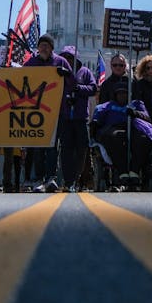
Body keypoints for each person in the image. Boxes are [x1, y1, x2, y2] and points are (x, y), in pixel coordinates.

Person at [25, 34, 74, 193]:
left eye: (47, 45)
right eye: (41, 45)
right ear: (38, 48)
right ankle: (39, 179)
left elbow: (73, 83)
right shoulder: (31, 63)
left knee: (53, 147)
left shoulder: (61, 62)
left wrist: (66, 74)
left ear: (52, 48)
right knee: (38, 147)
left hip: (56, 111)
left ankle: (50, 178)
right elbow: (20, 79)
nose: (44, 48)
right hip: (36, 112)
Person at [91, 81, 152, 188]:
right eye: (120, 93)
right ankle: (122, 172)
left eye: (125, 93)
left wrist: (135, 113)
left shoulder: (137, 104)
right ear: (115, 95)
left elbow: (147, 118)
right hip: (114, 129)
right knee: (116, 137)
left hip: (134, 128)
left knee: (142, 138)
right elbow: (97, 118)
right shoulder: (107, 106)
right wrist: (95, 123)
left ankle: (135, 171)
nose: (122, 96)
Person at [58, 46, 97, 191]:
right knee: (66, 150)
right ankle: (68, 180)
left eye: (70, 57)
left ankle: (80, 177)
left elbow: (93, 88)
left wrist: (79, 89)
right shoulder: (59, 72)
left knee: (82, 148)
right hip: (65, 116)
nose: (67, 60)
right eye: (65, 57)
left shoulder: (85, 72)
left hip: (80, 117)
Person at [132, 55, 152, 133]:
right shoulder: (139, 84)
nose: (150, 70)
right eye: (148, 68)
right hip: (144, 118)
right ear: (144, 69)